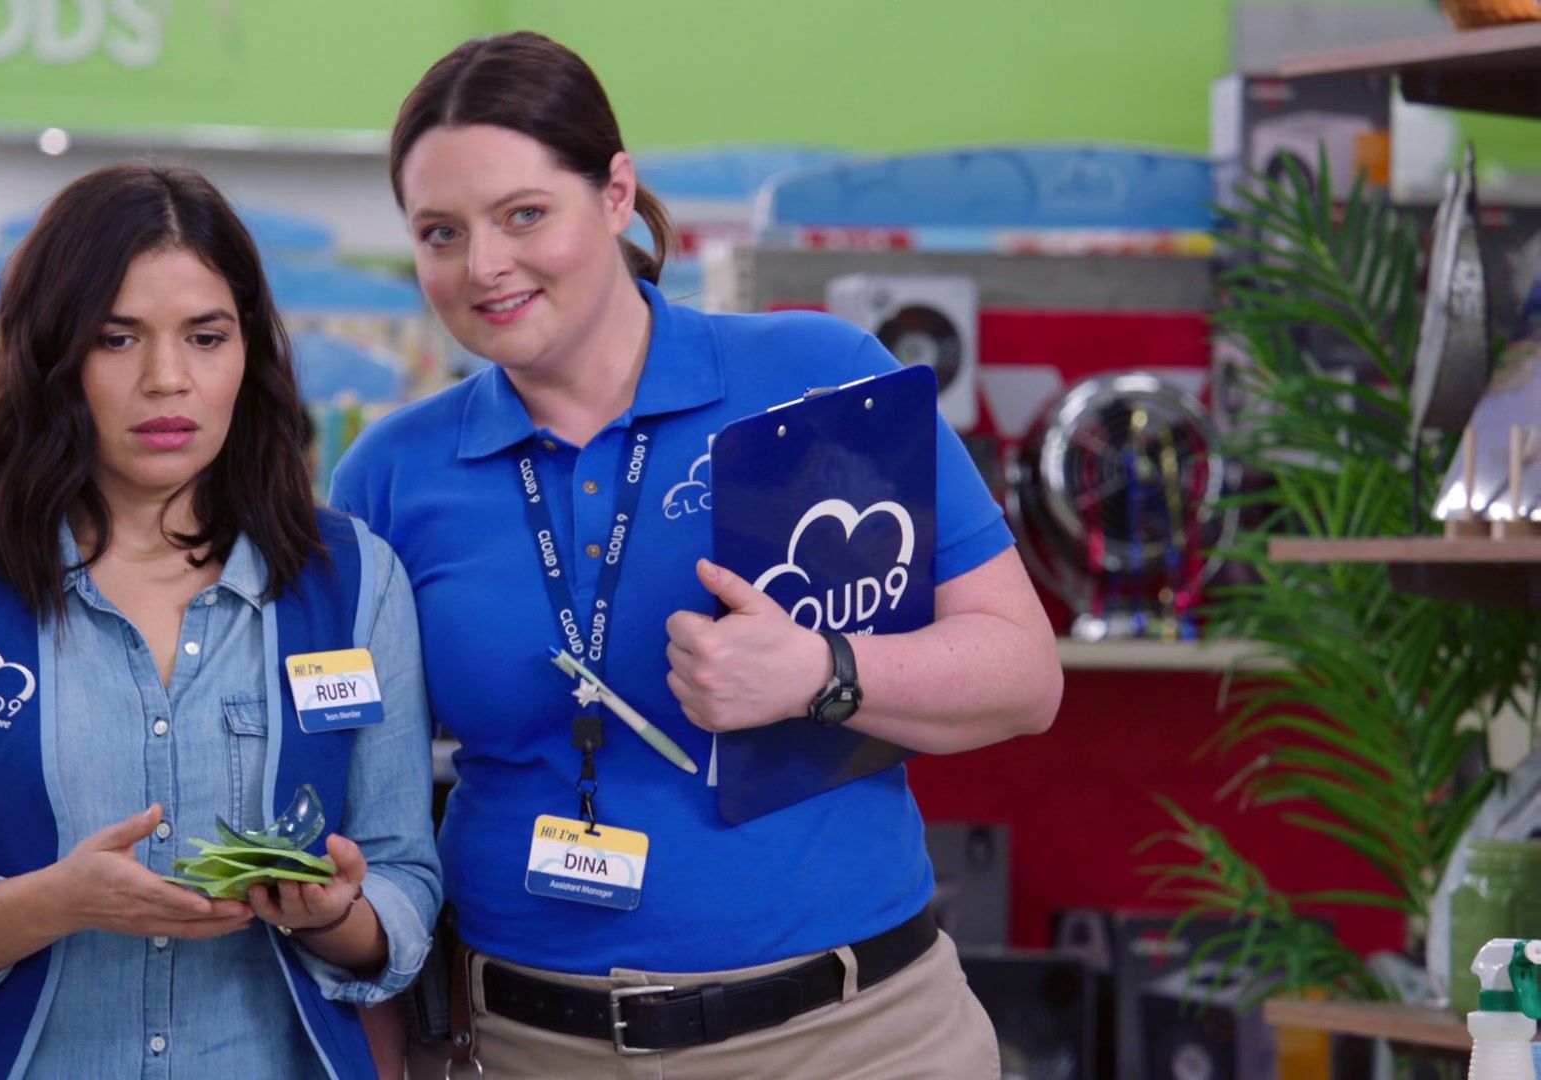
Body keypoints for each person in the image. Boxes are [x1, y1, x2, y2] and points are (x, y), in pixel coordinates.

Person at [329, 31, 1062, 1078]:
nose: (484, 265)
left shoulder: (816, 375)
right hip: (530, 1048)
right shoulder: (391, 474)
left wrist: (821, 671)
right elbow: (373, 811)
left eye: (524, 214)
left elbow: (1023, 677)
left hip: (852, 1042)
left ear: (616, 194)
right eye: (440, 232)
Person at [0, 163, 440, 1080]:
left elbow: (404, 881)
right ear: (52, 356)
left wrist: (335, 914)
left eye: (206, 337)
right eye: (117, 338)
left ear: (250, 351)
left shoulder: (356, 584)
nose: (167, 379)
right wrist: (51, 903)